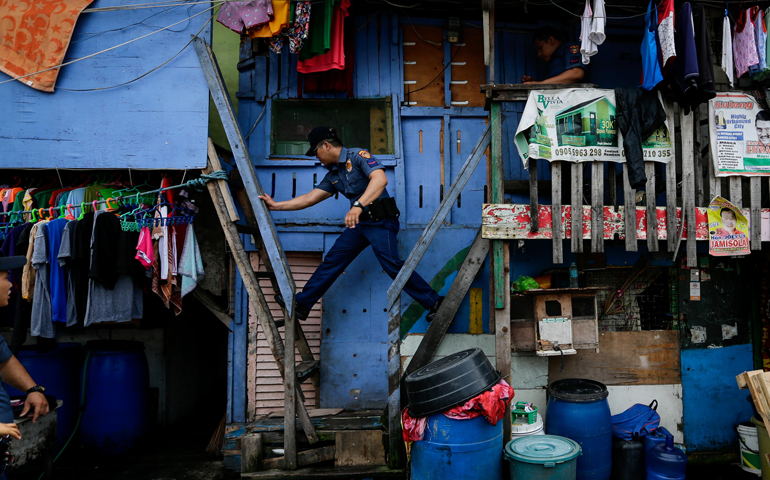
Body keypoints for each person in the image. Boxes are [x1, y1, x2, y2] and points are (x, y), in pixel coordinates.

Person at [258, 126, 444, 322]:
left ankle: (434, 302)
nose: (317, 158)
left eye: (316, 152)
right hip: (360, 225)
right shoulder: (334, 174)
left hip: (381, 222)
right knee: (333, 260)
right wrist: (276, 206)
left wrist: (357, 205)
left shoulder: (357, 155)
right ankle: (303, 304)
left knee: (391, 264)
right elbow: (310, 198)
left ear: (326, 145)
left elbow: (380, 179)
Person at [521, 26, 587, 85]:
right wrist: (535, 83)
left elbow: (577, 73)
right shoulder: (552, 60)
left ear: (551, 40)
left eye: (540, 48)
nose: (539, 54)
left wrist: (541, 84)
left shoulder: (570, 48)